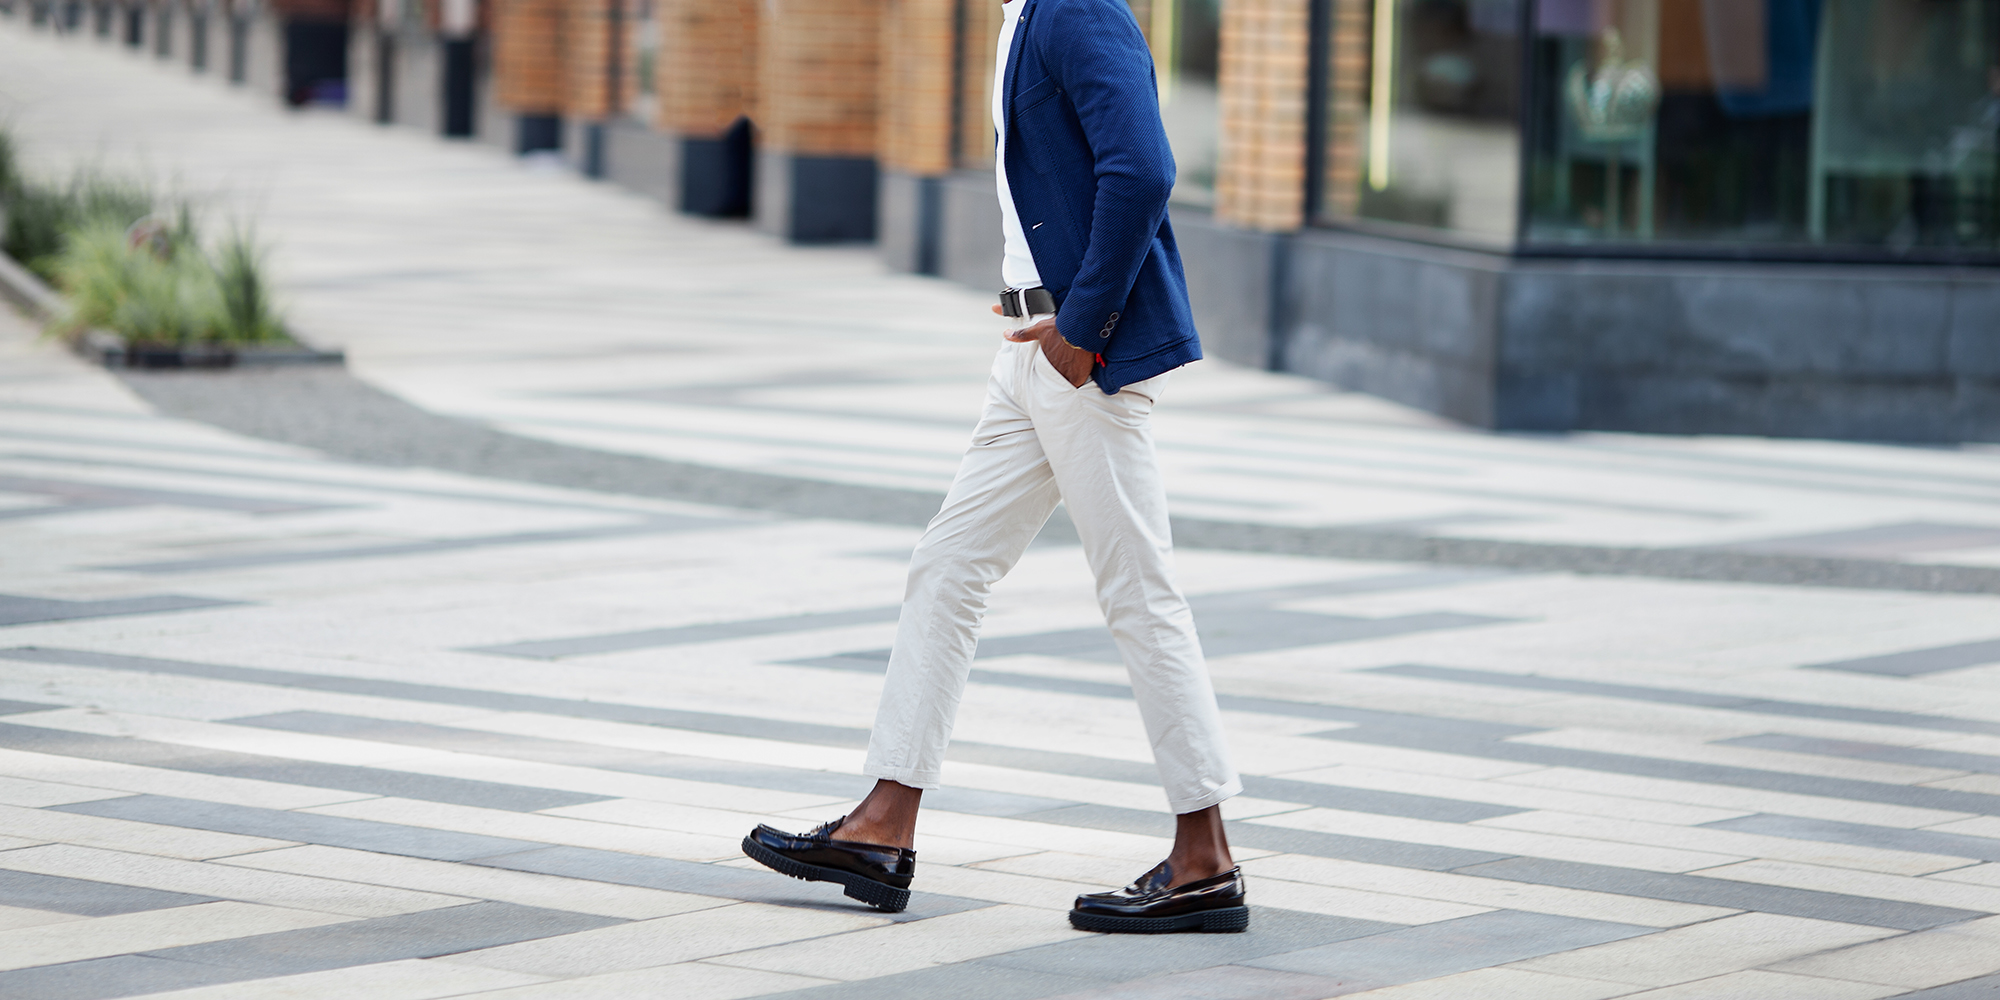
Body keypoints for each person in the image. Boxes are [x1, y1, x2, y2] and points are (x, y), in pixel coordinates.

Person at [742, 0, 1246, 934]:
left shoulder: (1078, 8)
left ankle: (1204, 858)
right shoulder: (1025, 14)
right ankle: (881, 825)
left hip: (1080, 353)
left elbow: (1145, 169)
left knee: (1139, 593)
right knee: (948, 566)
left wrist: (1084, 329)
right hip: (1030, 350)